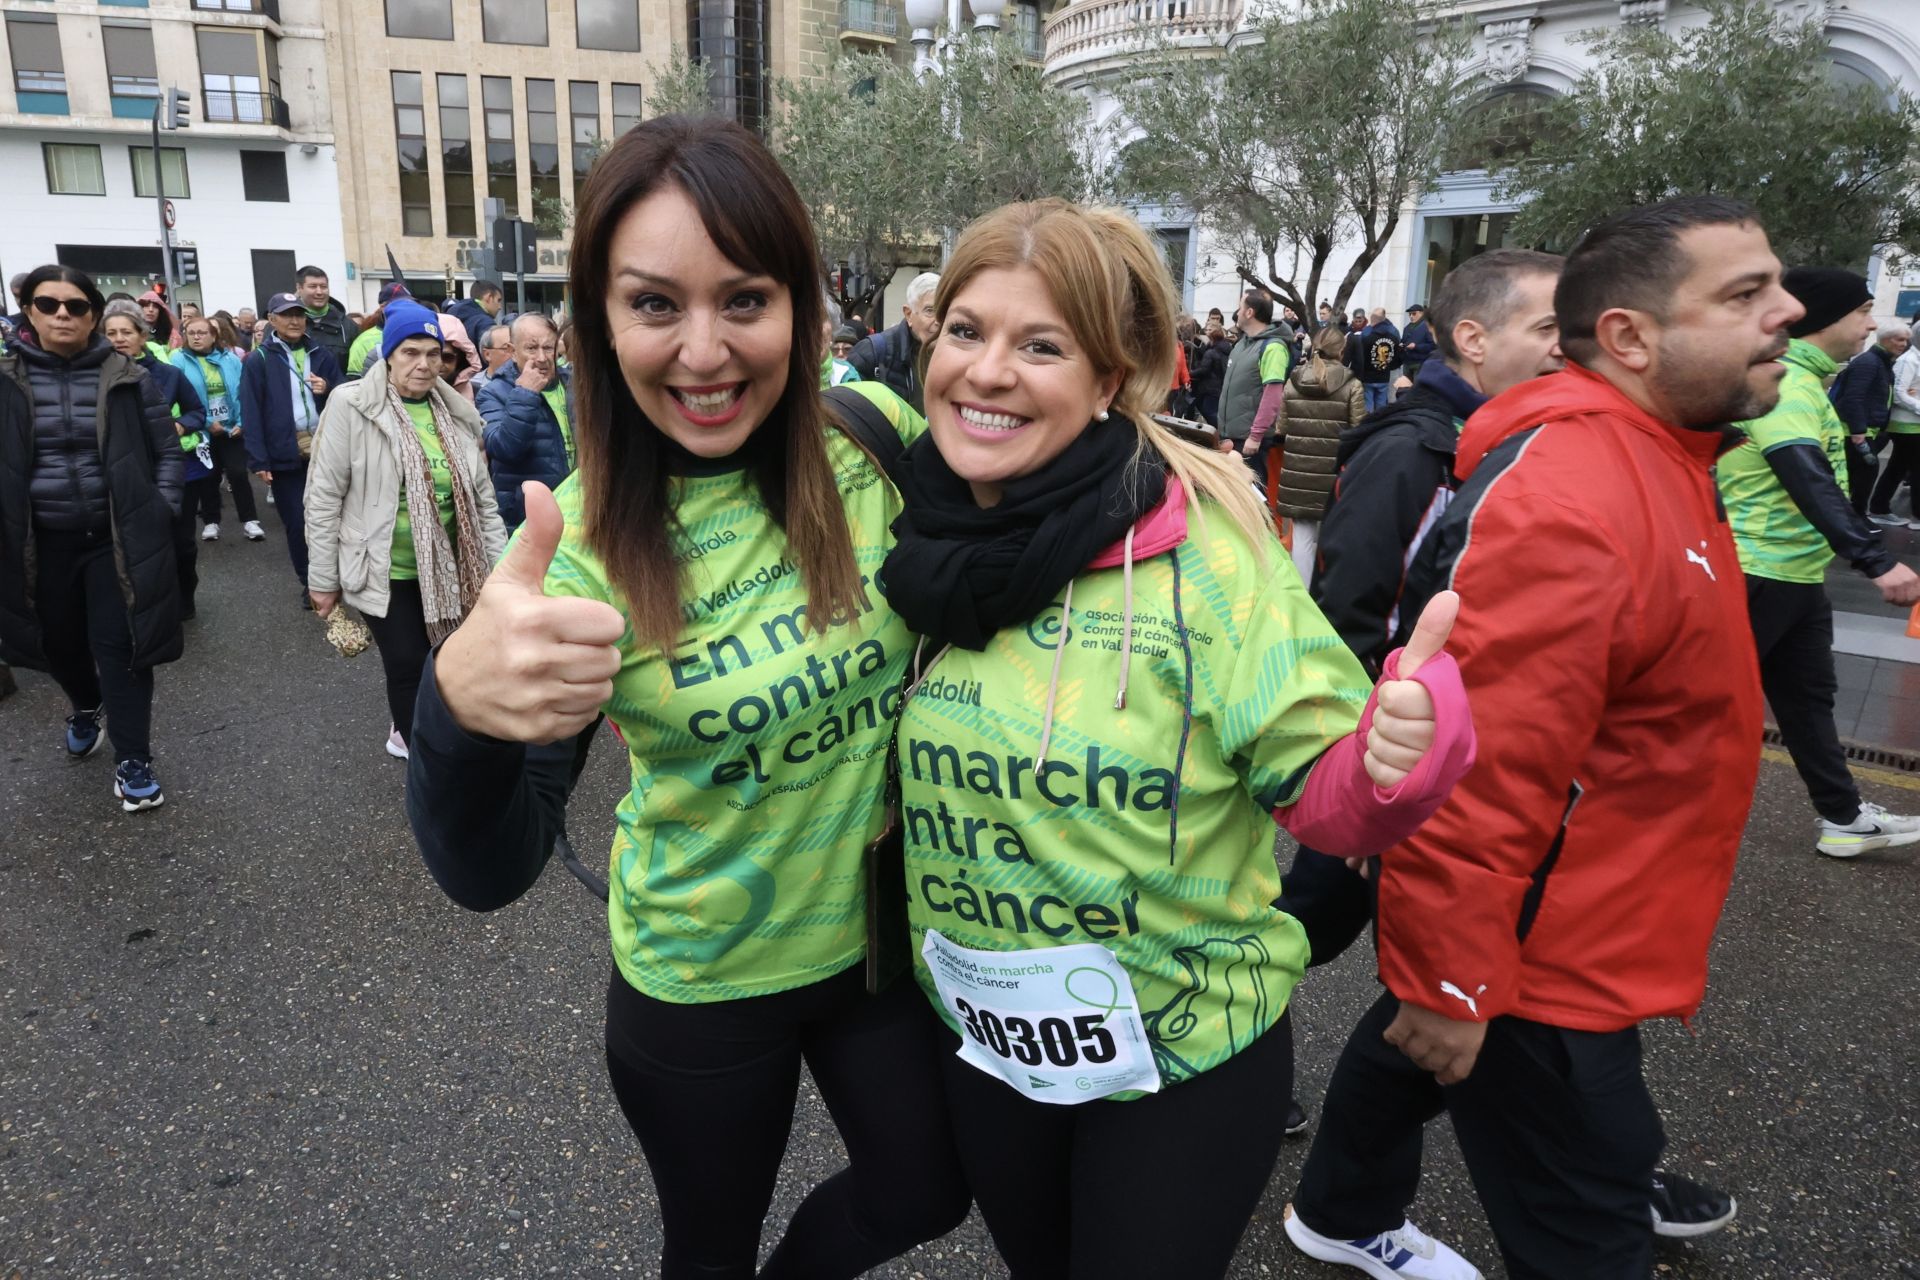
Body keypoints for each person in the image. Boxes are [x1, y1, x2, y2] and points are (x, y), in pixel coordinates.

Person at [407, 115, 971, 1280]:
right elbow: (491, 867)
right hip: (700, 977)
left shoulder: (875, 441)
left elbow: (1019, 555)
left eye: (746, 299)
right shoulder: (580, 553)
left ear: (800, 312)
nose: (705, 351)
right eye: (657, 303)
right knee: (706, 1249)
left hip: (877, 948)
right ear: (602, 323)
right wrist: (454, 704)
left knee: (923, 1191)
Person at [878, 197, 1474, 1279]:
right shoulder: (904, 524)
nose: (988, 371)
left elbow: (1330, 798)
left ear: (1112, 378)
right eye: (967, 330)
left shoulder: (1205, 550)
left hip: (1179, 1053)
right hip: (989, 1042)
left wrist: (1406, 751)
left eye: (1041, 345)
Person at [1285, 196, 1799, 1280]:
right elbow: (1485, 771)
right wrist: (1453, 980)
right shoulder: (1571, 492)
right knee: (1587, 1222)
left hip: (1572, 928)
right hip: (1544, 958)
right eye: (1745, 293)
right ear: (1628, 336)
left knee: (1418, 1056)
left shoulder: (1664, 457)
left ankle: (1337, 1203)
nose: (1786, 311)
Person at [1716, 267, 1920, 858]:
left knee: (1806, 702)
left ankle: (1845, 818)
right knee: (1699, 710)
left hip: (1795, 576)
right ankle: (1617, 823)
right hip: (1756, 574)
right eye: (1861, 311)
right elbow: (1804, 473)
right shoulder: (1786, 385)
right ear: (1826, 317)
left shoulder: (1808, 381)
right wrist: (1876, 560)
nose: (1871, 323)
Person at [0, 265, 182, 812]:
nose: (62, 314)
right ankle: (85, 705)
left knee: (122, 647)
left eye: (75, 306)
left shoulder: (128, 375)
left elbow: (166, 452)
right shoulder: (6, 380)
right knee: (53, 644)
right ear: (28, 311)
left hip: (115, 537)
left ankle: (134, 760)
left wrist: (162, 510)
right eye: (49, 304)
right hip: (38, 540)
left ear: (93, 316)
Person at [305, 300, 506, 759]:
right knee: (407, 664)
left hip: (452, 569)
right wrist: (322, 580)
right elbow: (323, 496)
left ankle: (440, 743)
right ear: (389, 354)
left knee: (450, 665)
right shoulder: (351, 404)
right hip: (384, 568)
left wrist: (498, 573)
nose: (424, 364)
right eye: (411, 352)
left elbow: (481, 502)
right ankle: (423, 758)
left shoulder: (454, 412)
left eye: (433, 354)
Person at [103, 301, 210, 620]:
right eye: (110, 333)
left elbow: (197, 412)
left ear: (142, 335)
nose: (119, 338)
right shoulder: (96, 378)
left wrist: (179, 425)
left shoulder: (169, 374)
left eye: (126, 332)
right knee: (133, 546)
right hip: (125, 473)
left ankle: (184, 594)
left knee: (180, 543)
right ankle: (146, 603)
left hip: (177, 470)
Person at [240, 292, 344, 605]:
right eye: (286, 315)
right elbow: (251, 410)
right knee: (298, 521)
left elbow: (344, 393)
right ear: (272, 320)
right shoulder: (259, 359)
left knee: (331, 517)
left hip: (324, 446)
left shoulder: (321, 352)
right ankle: (309, 582)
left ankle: (334, 578)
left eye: (299, 314)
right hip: (284, 449)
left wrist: (328, 388)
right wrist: (259, 459)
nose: (295, 320)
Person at [1274, 320, 1364, 581]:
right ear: (1341, 350)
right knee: (1332, 533)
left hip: (1299, 469)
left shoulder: (1294, 381)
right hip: (1335, 472)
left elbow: (1282, 426)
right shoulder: (1352, 385)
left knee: (1302, 535)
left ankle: (1303, 596)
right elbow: (1358, 431)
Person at [476, 313, 573, 531]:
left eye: (548, 348)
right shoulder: (492, 393)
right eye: (531, 348)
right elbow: (503, 448)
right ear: (512, 351)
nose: (541, 357)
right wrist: (525, 394)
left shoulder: (574, 385)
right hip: (527, 518)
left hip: (576, 511)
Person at [172, 313, 263, 543]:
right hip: (201, 429)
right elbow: (179, 398)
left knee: (238, 472)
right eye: (191, 333)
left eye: (202, 333)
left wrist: (241, 423)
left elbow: (243, 393)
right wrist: (204, 423)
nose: (196, 337)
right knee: (209, 476)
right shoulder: (178, 360)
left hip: (231, 427)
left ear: (214, 336)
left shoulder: (230, 359)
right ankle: (211, 522)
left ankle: (250, 520)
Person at [1830, 323, 1908, 516]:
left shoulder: (1881, 362)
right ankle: (1855, 517)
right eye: (1899, 339)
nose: (1904, 344)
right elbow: (1853, 397)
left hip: (1865, 430)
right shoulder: (1869, 362)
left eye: (1906, 340)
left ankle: (1850, 517)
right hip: (1855, 432)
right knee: (1864, 475)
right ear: (1885, 340)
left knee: (1857, 476)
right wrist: (1858, 432)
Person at [1215, 288, 1293, 473]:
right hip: (1231, 437)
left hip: (1249, 441)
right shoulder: (1242, 344)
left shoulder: (1273, 347)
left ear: (1250, 312)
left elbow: (1272, 396)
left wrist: (1256, 436)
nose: (1237, 312)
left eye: (1240, 307)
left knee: (1254, 496)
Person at [848, 271, 940, 411]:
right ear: (909, 314)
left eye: (943, 311)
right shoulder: (872, 352)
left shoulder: (954, 355)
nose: (939, 321)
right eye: (930, 311)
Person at [1871, 324, 1920, 525]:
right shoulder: (1908, 360)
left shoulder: (1914, 359)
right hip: (1905, 424)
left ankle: (1879, 507)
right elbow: (1899, 393)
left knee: (1898, 467)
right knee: (1913, 469)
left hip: (1912, 423)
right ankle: (1917, 515)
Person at [296, 266, 355, 371]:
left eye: (323, 286)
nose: (319, 292)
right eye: (313, 286)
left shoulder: (347, 326)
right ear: (299, 288)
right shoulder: (284, 324)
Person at [348, 284, 413, 377]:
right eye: (400, 304)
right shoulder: (363, 341)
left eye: (409, 304)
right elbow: (355, 381)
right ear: (383, 307)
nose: (406, 309)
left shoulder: (416, 333)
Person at [1355, 307, 1402, 413]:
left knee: (1368, 404)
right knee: (1381, 404)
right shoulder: (1393, 334)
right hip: (1384, 375)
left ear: (1372, 320)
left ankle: (1369, 424)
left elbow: (1361, 355)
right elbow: (1397, 354)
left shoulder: (1366, 335)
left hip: (1368, 376)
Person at [434, 310, 483, 403]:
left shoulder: (478, 395)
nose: (439, 363)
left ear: (460, 358)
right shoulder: (401, 397)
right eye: (432, 356)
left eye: (447, 357)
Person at [1191, 315, 1230, 426]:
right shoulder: (1225, 347)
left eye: (1210, 330)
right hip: (1220, 385)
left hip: (1210, 387)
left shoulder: (1211, 351)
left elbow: (1204, 369)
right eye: (1206, 329)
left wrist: (1189, 374)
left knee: (1209, 411)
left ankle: (1220, 433)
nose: (1207, 332)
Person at [447, 279, 504, 351]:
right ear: (489, 297)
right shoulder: (485, 323)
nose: (500, 307)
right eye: (498, 300)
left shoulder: (451, 315)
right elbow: (491, 355)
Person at [1399, 302, 1435, 386]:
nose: (1411, 316)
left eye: (1414, 314)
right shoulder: (1407, 328)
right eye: (1410, 314)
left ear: (1421, 313)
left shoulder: (1427, 327)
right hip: (1407, 363)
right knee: (1405, 388)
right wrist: (1401, 345)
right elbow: (1404, 341)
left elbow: (1432, 346)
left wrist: (1416, 346)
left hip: (1420, 364)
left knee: (1417, 388)